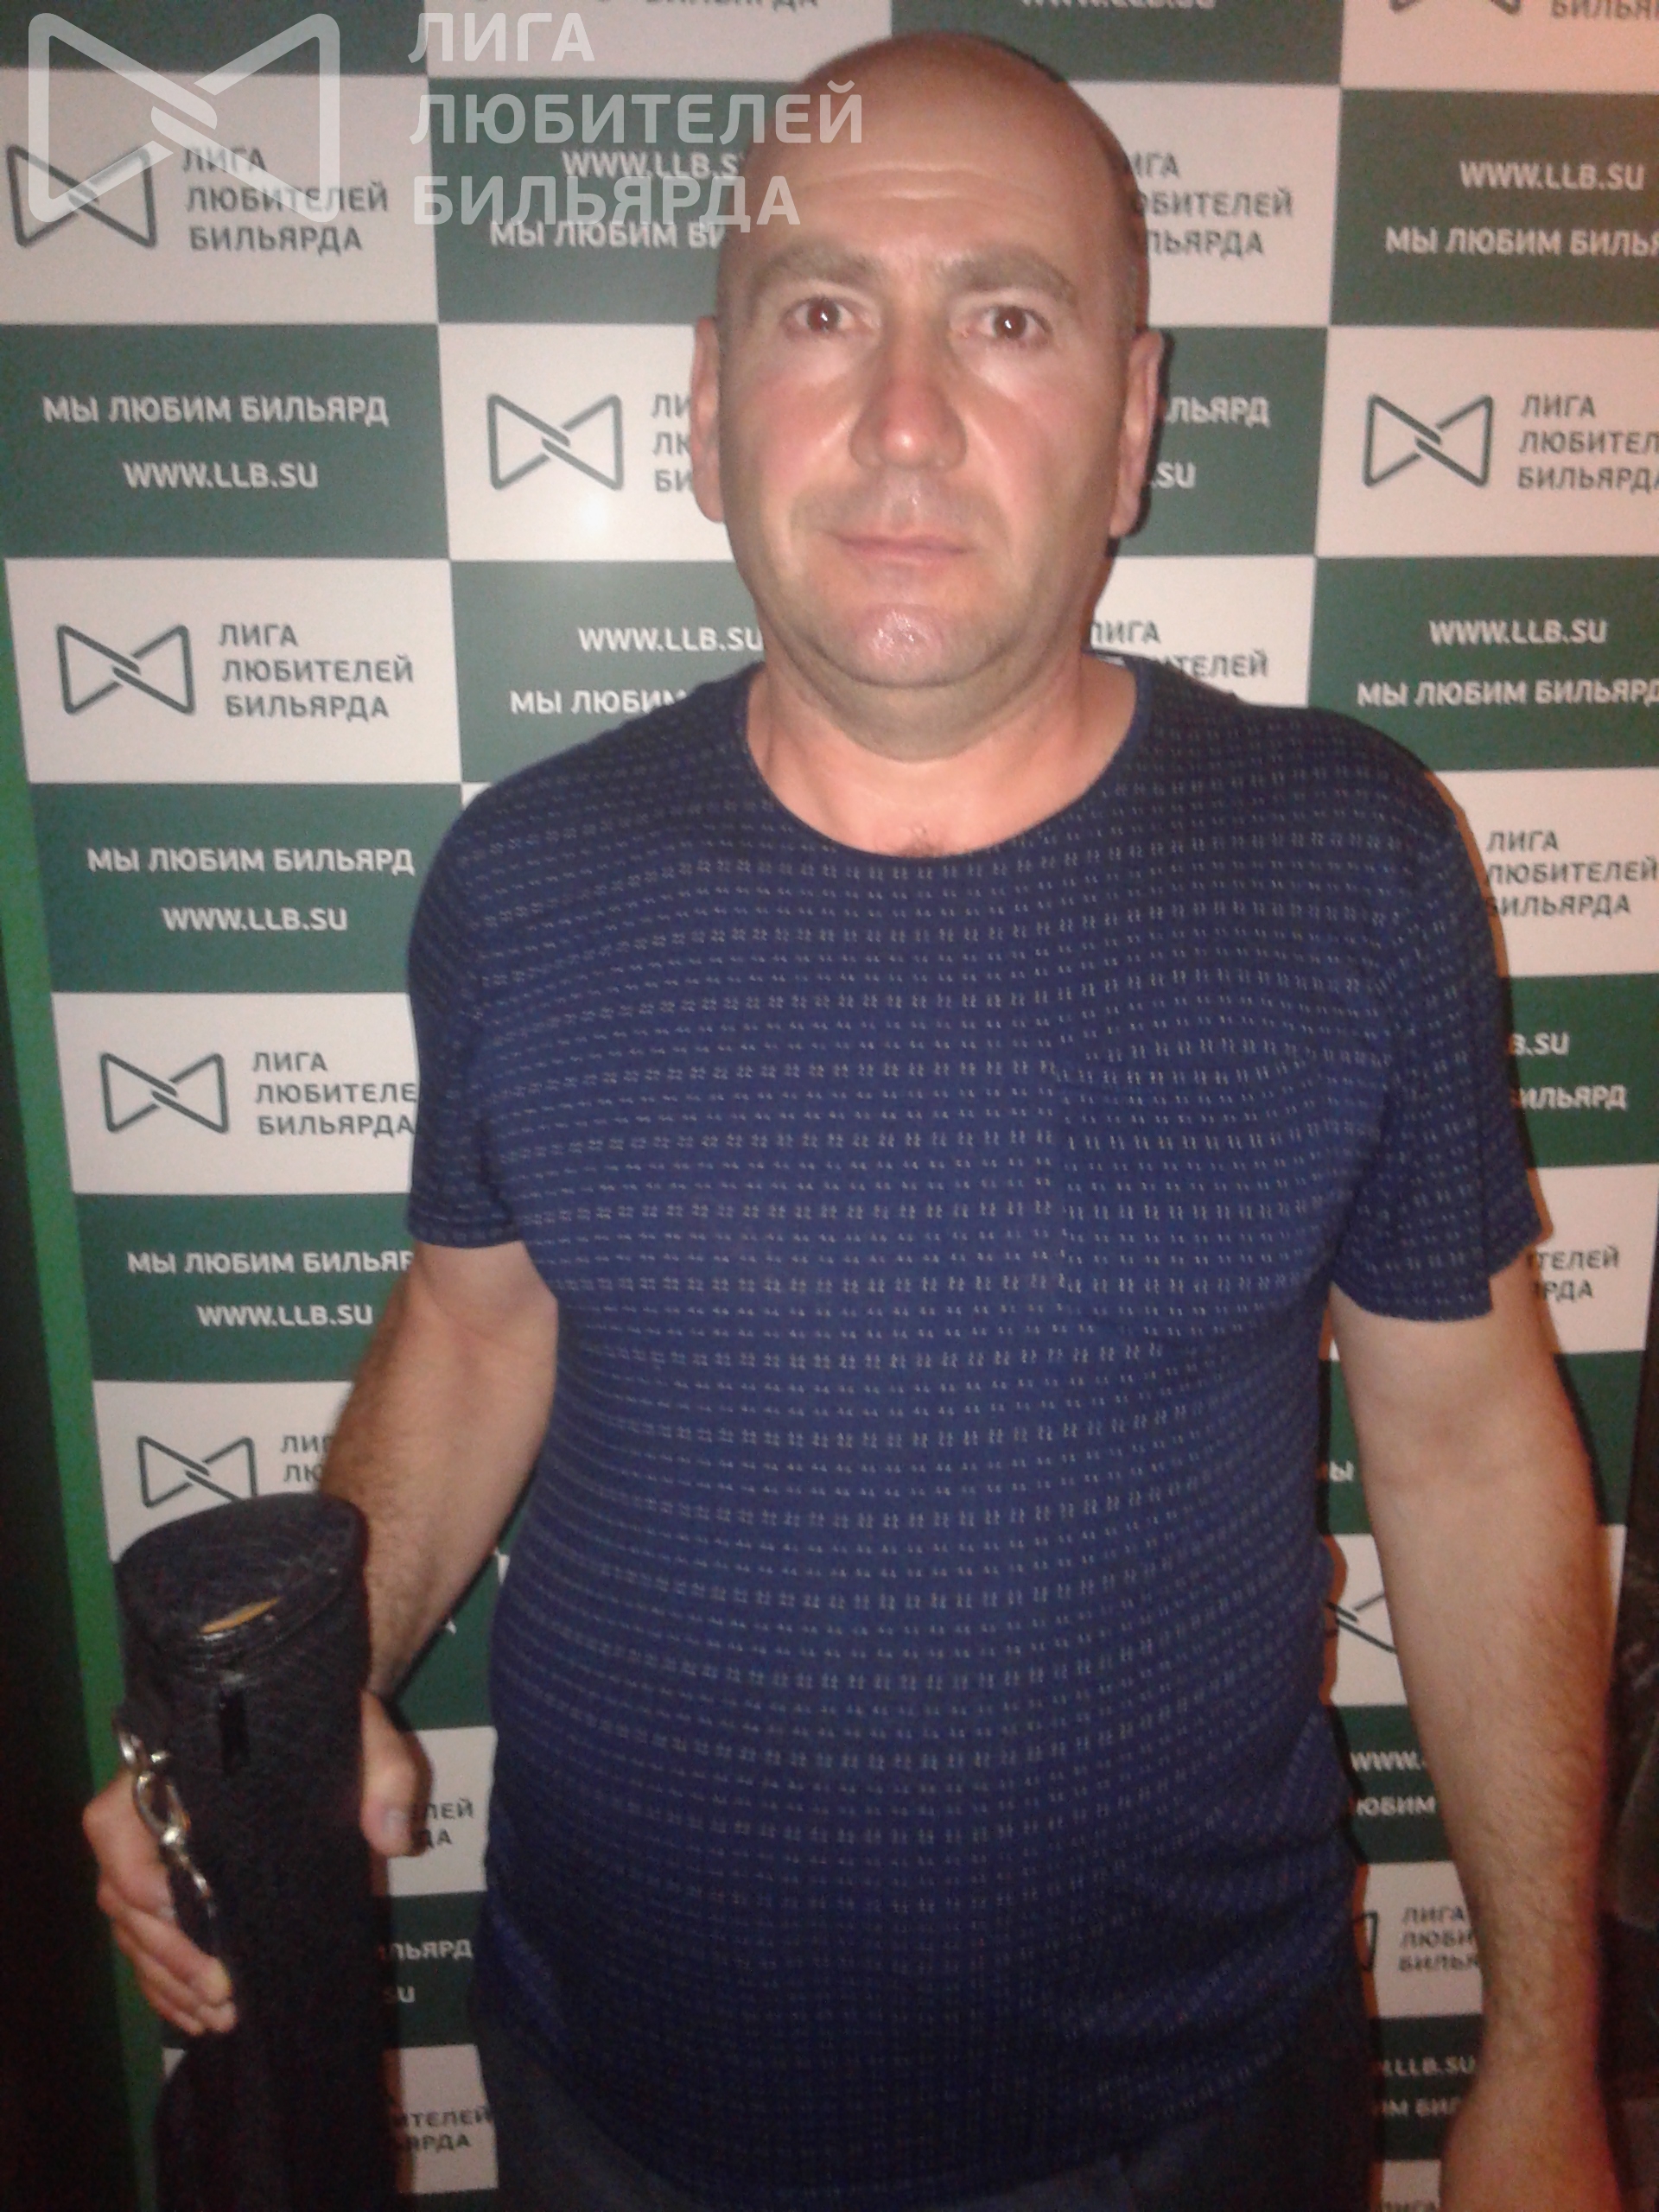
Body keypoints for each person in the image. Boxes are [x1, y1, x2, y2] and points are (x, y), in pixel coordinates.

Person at [86, 34, 1619, 2212]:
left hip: (1195, 2114)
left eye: (1008, 319)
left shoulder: (1350, 861)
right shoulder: (527, 879)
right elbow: (477, 1327)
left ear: (1136, 421)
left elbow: (1467, 1450)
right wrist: (317, 1679)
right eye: (823, 312)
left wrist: (1545, 2051)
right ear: (709, 405)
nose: (906, 417)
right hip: (619, 2114)